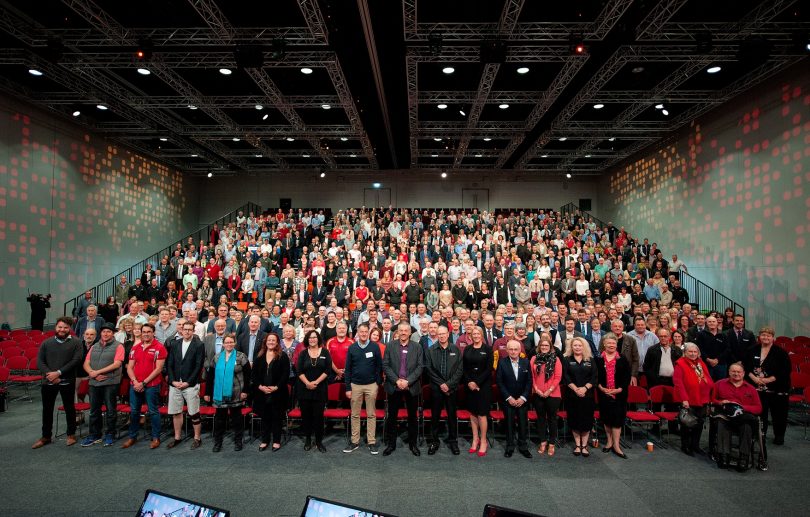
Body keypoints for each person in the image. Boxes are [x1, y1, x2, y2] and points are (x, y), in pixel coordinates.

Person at [32, 317, 83, 449]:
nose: (62, 330)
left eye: (65, 327)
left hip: (67, 380)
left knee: (69, 408)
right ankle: (46, 436)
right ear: (56, 327)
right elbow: (40, 361)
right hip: (49, 380)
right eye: (60, 327)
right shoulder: (46, 343)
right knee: (47, 410)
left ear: (70, 329)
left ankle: (71, 434)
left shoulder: (77, 342)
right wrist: (50, 375)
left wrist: (58, 373)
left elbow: (76, 360)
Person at [122, 323, 167, 449]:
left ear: (153, 333)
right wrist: (135, 382)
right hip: (135, 384)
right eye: (144, 331)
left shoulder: (159, 347)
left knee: (153, 411)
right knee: (134, 411)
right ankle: (132, 436)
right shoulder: (135, 348)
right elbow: (130, 367)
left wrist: (143, 383)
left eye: (149, 331)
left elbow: (158, 369)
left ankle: (156, 437)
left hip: (151, 385)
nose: (146, 334)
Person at [382, 321, 424, 456]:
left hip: (411, 386)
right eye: (401, 330)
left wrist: (408, 381)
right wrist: (396, 380)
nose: (404, 332)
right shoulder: (390, 346)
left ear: (410, 332)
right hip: (394, 386)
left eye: (406, 330)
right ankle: (391, 444)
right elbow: (386, 365)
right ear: (397, 332)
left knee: (412, 417)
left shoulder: (417, 347)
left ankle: (413, 444)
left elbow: (420, 366)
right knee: (392, 417)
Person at [744, 326, 791, 445]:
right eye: (763, 335)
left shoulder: (780, 352)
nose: (765, 337)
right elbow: (745, 367)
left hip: (777, 387)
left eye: (768, 335)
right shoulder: (751, 349)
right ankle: (760, 434)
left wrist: (768, 380)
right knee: (760, 413)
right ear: (759, 337)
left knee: (779, 413)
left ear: (773, 338)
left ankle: (779, 436)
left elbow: (785, 370)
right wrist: (754, 378)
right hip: (756, 386)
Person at [204, 334, 251, 452]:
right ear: (223, 344)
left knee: (237, 420)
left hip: (236, 393)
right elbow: (210, 376)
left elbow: (248, 375)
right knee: (219, 420)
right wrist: (207, 392)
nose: (229, 344)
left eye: (231, 342)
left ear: (234, 343)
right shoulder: (217, 357)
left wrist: (245, 391)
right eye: (227, 342)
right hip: (219, 394)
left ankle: (238, 441)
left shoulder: (241, 356)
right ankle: (218, 443)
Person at [712, 362, 762, 470]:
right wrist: (721, 402)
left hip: (742, 417)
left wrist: (743, 407)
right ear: (729, 372)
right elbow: (712, 400)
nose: (736, 374)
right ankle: (724, 456)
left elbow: (758, 408)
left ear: (743, 373)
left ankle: (744, 458)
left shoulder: (751, 388)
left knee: (747, 427)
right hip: (725, 416)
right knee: (721, 423)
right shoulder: (719, 384)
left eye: (738, 372)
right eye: (733, 371)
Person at [81, 323, 124, 447]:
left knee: (111, 410)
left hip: (110, 382)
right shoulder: (94, 346)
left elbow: (117, 364)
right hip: (94, 382)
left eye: (109, 332)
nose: (106, 334)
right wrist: (92, 373)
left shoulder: (118, 346)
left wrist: (97, 372)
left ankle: (110, 434)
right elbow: (86, 363)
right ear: (101, 333)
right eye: (104, 331)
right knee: (94, 410)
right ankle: (94, 434)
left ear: (113, 333)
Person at [343, 322, 383, 454]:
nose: (364, 334)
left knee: (371, 414)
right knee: (355, 415)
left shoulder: (374, 347)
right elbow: (348, 369)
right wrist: (348, 387)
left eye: (366, 332)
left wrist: (377, 382)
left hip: (371, 385)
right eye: (361, 332)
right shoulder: (352, 348)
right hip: (355, 386)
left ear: (368, 333)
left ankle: (371, 441)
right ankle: (354, 441)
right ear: (358, 333)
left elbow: (379, 366)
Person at [165, 322, 206, 450]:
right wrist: (172, 381)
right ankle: (177, 437)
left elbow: (198, 365)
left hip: (190, 384)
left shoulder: (199, 345)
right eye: (185, 329)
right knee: (176, 412)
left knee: (194, 412)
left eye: (190, 330)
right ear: (181, 330)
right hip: (175, 384)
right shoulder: (174, 344)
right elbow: (169, 364)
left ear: (193, 331)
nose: (187, 332)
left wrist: (188, 382)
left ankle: (197, 438)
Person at [425, 325, 463, 455]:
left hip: (451, 389)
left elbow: (459, 370)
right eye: (439, 334)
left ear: (448, 334)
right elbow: (429, 369)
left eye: (443, 333)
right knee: (435, 416)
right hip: (436, 388)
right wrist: (441, 384)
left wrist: (449, 384)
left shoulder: (456, 349)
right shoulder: (431, 350)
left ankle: (453, 441)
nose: (441, 336)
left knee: (452, 416)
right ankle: (434, 441)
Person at [673, 342, 714, 456]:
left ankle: (695, 445)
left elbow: (708, 378)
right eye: (690, 352)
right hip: (689, 398)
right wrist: (684, 399)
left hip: (702, 398)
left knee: (700, 423)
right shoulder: (680, 363)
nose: (692, 354)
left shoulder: (701, 363)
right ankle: (685, 446)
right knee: (687, 423)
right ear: (685, 353)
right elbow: (678, 383)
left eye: (695, 352)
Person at [253, 333, 290, 452]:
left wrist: (276, 387)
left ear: (277, 342)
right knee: (265, 417)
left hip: (278, 392)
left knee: (277, 417)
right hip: (262, 392)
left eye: (273, 340)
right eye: (269, 340)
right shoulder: (259, 356)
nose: (271, 342)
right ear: (266, 341)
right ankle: (265, 440)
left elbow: (285, 374)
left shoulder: (283, 356)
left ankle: (276, 441)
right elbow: (254, 374)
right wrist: (260, 386)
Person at [596, 333, 631, 459]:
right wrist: (601, 387)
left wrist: (619, 389)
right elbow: (596, 376)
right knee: (606, 418)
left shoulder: (622, 359)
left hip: (619, 394)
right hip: (603, 393)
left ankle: (616, 445)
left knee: (617, 420)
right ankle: (609, 441)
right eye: (609, 343)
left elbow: (627, 377)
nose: (611, 345)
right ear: (604, 344)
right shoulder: (598, 359)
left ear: (616, 345)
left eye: (613, 343)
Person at [496, 340, 533, 459]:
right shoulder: (502, 363)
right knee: (509, 424)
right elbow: (499, 382)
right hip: (508, 399)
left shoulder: (526, 362)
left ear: (520, 350)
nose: (513, 351)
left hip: (522, 400)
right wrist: (508, 397)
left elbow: (529, 382)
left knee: (523, 424)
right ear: (506, 350)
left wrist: (523, 398)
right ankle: (510, 446)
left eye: (515, 349)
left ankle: (523, 447)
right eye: (510, 349)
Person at [296, 330, 331, 452]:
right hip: (304, 389)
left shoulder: (325, 352)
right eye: (310, 338)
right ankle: (307, 439)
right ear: (307, 339)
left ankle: (318, 441)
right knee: (306, 416)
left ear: (318, 339)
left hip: (320, 389)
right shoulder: (303, 353)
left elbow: (327, 370)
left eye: (314, 337)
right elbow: (299, 371)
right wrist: (308, 383)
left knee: (318, 417)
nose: (312, 339)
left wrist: (315, 382)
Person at [563, 336, 597, 457]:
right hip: (572, 394)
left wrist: (585, 388)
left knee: (586, 420)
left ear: (584, 347)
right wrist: (575, 388)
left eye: (580, 345)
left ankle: (585, 445)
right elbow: (565, 376)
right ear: (571, 347)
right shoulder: (567, 359)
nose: (577, 347)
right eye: (575, 345)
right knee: (574, 419)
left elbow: (594, 377)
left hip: (587, 395)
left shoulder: (590, 360)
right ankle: (578, 445)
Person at [530, 334, 562, 457]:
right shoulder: (534, 359)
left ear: (551, 347)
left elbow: (558, 377)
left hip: (553, 394)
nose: (544, 347)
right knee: (541, 419)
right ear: (539, 346)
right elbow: (532, 376)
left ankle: (552, 443)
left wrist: (549, 390)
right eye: (542, 345)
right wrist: (536, 389)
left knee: (552, 419)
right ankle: (543, 442)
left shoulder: (556, 359)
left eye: (546, 345)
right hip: (537, 393)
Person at [462, 326, 492, 456]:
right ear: (470, 336)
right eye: (473, 334)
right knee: (473, 413)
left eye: (478, 333)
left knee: (482, 413)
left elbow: (488, 369)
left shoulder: (488, 349)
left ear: (481, 334)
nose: (475, 335)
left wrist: (477, 382)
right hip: (469, 385)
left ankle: (483, 440)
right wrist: (469, 382)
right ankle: (475, 439)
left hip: (483, 385)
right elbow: (464, 368)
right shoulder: (467, 349)